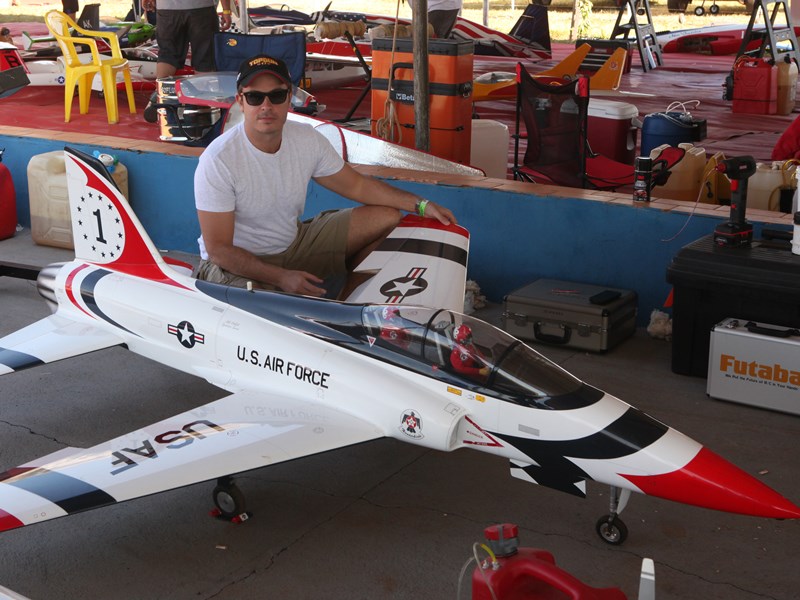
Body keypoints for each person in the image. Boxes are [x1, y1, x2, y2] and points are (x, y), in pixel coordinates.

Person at [194, 54, 456, 297]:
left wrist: (422, 205)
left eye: (276, 96)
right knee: (266, 310)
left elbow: (357, 186)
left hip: (292, 245)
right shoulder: (219, 159)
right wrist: (282, 277)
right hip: (236, 263)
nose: (266, 106)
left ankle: (347, 305)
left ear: (289, 98)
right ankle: (285, 294)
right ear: (240, 100)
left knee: (386, 216)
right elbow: (218, 250)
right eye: (254, 98)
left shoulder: (307, 138)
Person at [142, 0, 231, 122]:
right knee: (204, 58)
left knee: (167, 55)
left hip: (167, 8)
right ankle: (202, 109)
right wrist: (226, 10)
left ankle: (158, 99)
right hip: (201, 8)